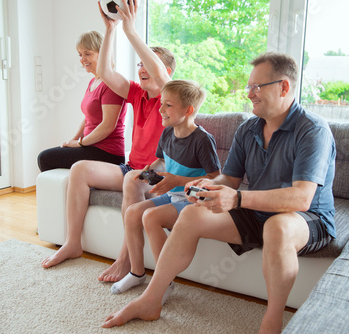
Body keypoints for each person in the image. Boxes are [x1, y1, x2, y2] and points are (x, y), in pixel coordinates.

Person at [101, 52, 337, 334]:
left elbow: (301, 198)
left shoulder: (312, 130)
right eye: (249, 87)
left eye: (256, 87)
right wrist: (206, 185)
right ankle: (151, 300)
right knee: (191, 214)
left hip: (306, 218)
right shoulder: (248, 128)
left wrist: (237, 199)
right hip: (256, 210)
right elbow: (230, 179)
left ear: (284, 87)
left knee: (277, 226)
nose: (250, 93)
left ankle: (272, 323)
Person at [40, 0, 176, 273]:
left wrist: (131, 30)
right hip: (131, 167)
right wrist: (111, 28)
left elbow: (160, 76)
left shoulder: (170, 95)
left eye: (149, 63)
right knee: (80, 169)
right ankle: (72, 242)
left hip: (159, 175)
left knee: (132, 178)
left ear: (167, 71)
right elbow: (104, 72)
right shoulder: (136, 93)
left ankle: (125, 259)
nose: (142, 68)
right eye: (140, 64)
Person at [110, 80, 221, 297]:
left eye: (168, 105)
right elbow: (161, 160)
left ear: (188, 110)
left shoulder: (202, 140)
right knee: (133, 213)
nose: (160, 109)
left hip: (191, 202)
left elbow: (216, 179)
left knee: (150, 217)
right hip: (171, 196)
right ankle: (137, 272)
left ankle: (164, 281)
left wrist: (177, 180)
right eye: (161, 103)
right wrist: (150, 171)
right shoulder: (168, 132)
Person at [37, 31, 127, 172]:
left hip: (108, 153)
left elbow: (108, 126)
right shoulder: (94, 81)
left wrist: (80, 143)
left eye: (88, 53)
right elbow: (88, 118)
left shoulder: (111, 83)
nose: (82, 59)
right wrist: (72, 140)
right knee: (49, 155)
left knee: (45, 157)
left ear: (102, 53)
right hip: (91, 147)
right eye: (80, 54)